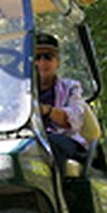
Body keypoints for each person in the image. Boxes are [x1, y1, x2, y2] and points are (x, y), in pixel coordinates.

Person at [34, 33, 88, 166]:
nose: (42, 62)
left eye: (48, 57)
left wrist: (47, 110)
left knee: (49, 144)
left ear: (57, 62)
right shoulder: (19, 90)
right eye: (37, 57)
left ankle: (54, 186)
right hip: (29, 140)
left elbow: (76, 119)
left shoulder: (71, 87)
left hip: (64, 139)